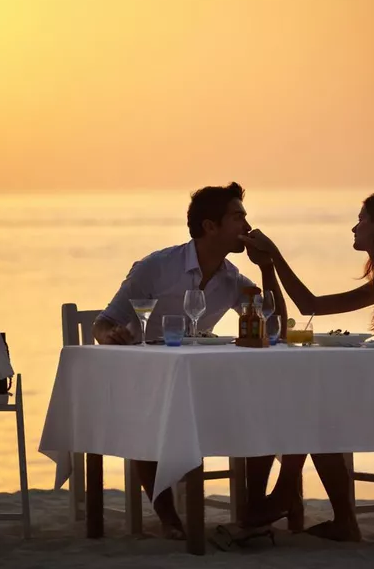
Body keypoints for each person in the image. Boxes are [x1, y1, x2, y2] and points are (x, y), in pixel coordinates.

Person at [239, 192, 374, 542]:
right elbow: (310, 304)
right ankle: (321, 511)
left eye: (362, 219)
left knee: (315, 406)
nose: (355, 227)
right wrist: (273, 259)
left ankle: (290, 495)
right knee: (312, 403)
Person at [92, 181, 287, 538]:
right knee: (153, 413)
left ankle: (253, 510)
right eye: (237, 217)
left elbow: (274, 326)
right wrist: (110, 336)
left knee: (265, 407)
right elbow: (104, 323)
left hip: (201, 384)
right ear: (210, 226)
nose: (246, 226)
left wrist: (267, 268)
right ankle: (169, 517)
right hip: (145, 382)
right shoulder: (156, 267)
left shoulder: (233, 279)